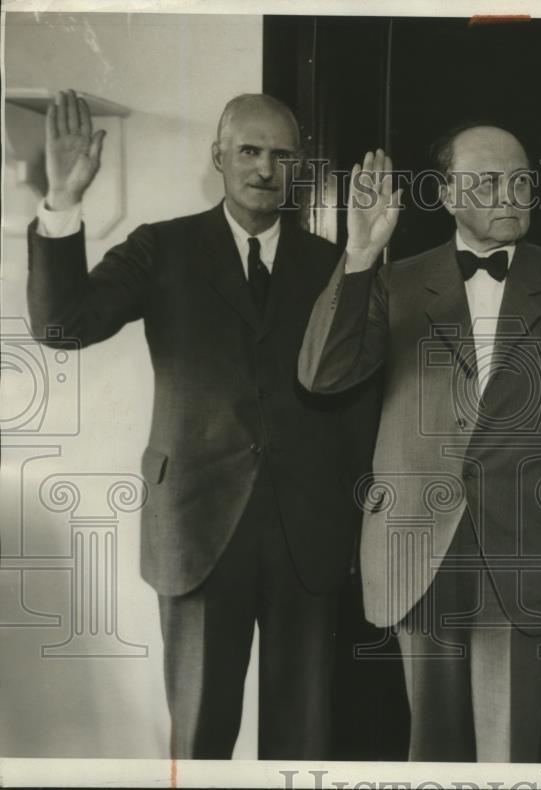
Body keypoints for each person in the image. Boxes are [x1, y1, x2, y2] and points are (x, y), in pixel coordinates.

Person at [27, 90, 390, 759]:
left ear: (299, 164)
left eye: (281, 155)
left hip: (306, 533)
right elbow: (61, 326)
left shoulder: (334, 263)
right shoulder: (160, 248)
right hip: (196, 529)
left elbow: (360, 389)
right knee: (199, 740)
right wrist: (62, 201)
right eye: (249, 151)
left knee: (304, 741)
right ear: (218, 155)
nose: (264, 168)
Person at [298, 126, 541, 762]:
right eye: (488, 182)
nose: (511, 195)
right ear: (446, 195)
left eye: (521, 180)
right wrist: (360, 255)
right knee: (431, 749)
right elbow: (321, 373)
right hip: (418, 546)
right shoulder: (398, 281)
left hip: (522, 546)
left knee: (511, 750)